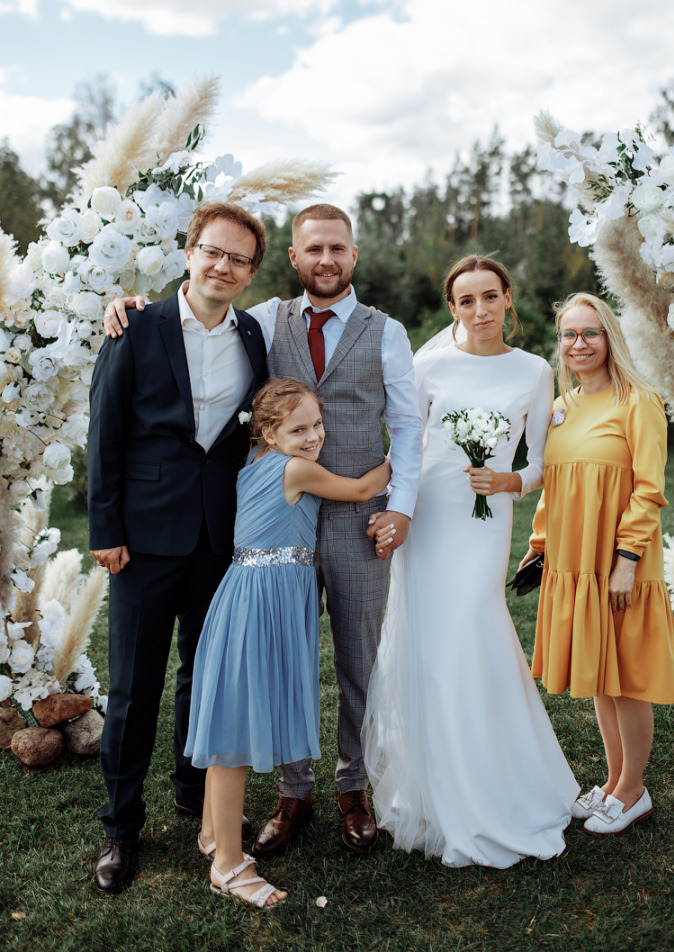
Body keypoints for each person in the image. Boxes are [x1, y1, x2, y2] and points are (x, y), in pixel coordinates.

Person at [103, 202, 423, 856]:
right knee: (251, 665)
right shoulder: (246, 322)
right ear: (293, 259)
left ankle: (338, 792)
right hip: (243, 528)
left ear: (353, 255)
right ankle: (279, 793)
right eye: (314, 249)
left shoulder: (372, 331)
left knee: (345, 662)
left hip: (332, 526)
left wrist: (403, 504)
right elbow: (117, 414)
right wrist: (123, 304)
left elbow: (412, 425)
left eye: (338, 248)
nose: (326, 260)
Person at [361, 256, 579, 868]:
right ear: (451, 307)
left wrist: (506, 480)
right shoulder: (428, 364)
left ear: (509, 298)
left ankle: (502, 782)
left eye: (490, 297)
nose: (479, 310)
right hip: (429, 516)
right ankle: (436, 788)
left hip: (485, 520)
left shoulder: (535, 371)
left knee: (474, 629)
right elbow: (407, 440)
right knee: (433, 644)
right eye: (466, 301)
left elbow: (541, 462)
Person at [88, 201, 268, 894]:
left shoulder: (252, 334)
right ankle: (119, 828)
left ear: (250, 273)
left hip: (218, 536)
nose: (223, 266)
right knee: (134, 686)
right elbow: (104, 431)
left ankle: (198, 802)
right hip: (142, 536)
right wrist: (106, 529)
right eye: (212, 252)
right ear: (190, 253)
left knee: (205, 675)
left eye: (238, 258)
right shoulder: (136, 325)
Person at [185, 378, 392, 907]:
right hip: (262, 602)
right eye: (297, 429)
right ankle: (228, 866)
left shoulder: (255, 458)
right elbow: (363, 490)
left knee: (226, 717)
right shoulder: (295, 468)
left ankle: (213, 833)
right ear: (268, 431)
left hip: (251, 592)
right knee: (231, 730)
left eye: (317, 425)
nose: (313, 437)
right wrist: (407, 458)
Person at [518, 293, 674, 835]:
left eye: (590, 333)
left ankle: (634, 790)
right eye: (569, 335)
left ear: (610, 336)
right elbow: (555, 485)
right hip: (573, 559)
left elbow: (649, 489)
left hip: (617, 560)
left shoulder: (639, 401)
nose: (579, 344)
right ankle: (614, 784)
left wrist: (628, 558)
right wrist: (540, 544)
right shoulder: (563, 406)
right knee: (601, 674)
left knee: (627, 675)